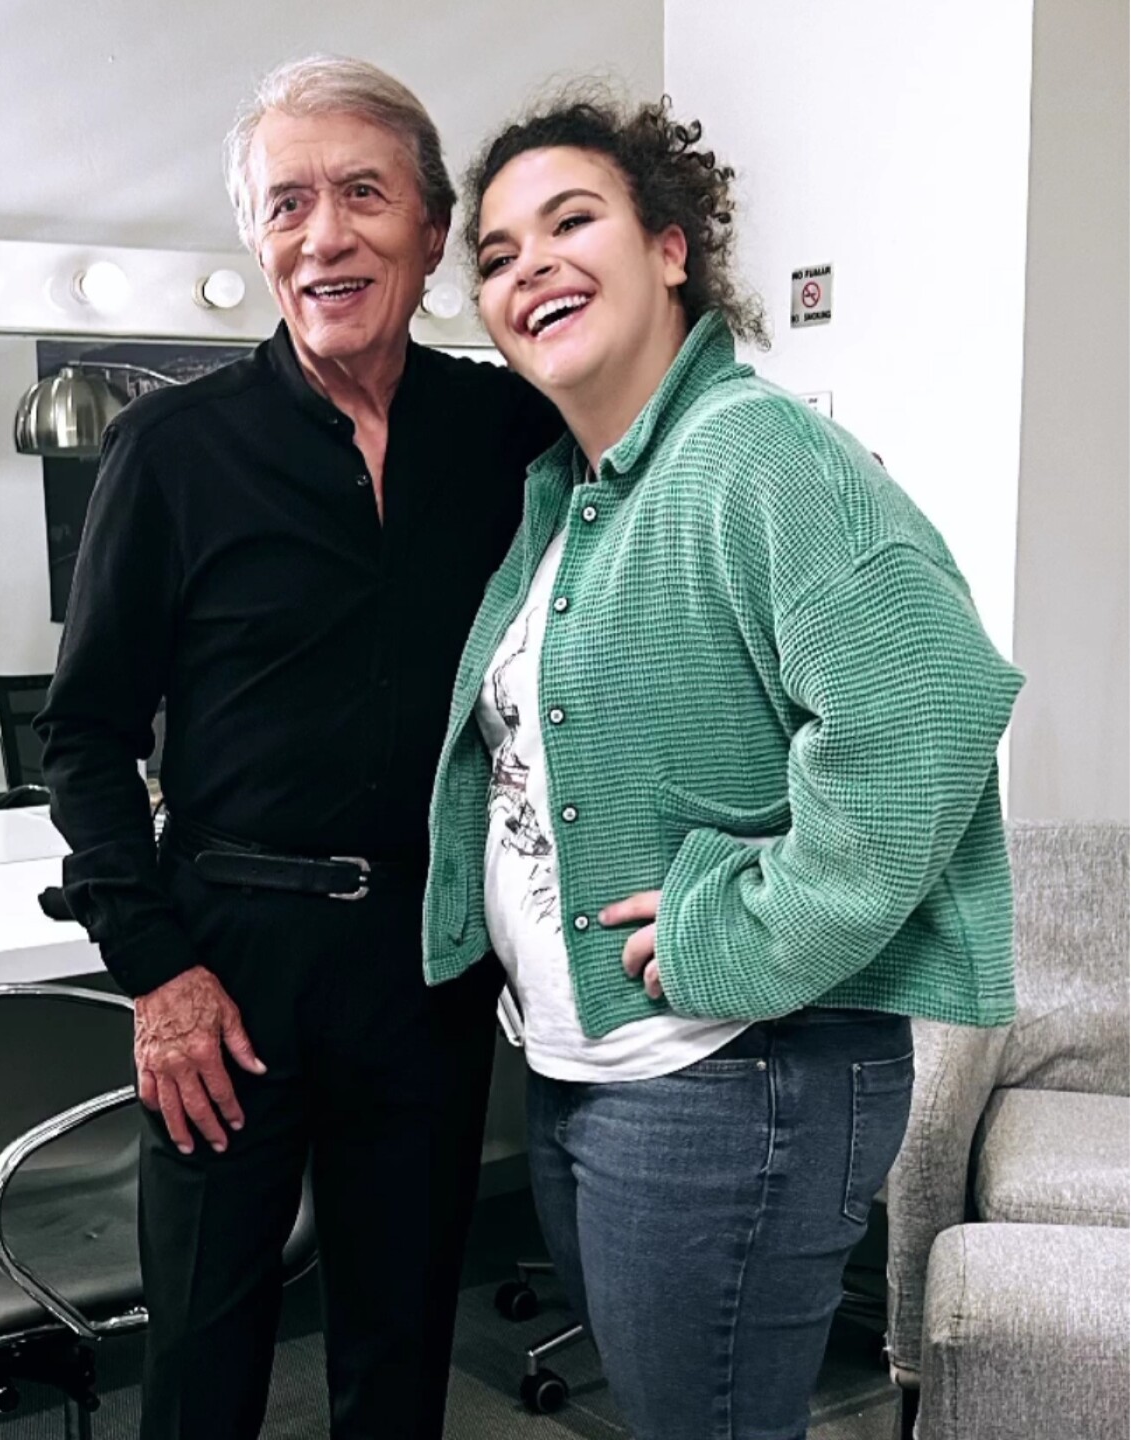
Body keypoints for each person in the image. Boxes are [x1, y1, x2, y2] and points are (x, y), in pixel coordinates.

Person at [421, 92, 1025, 1440]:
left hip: (734, 1069)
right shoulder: (573, 502)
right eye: (500, 255)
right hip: (605, 1070)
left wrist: (733, 936)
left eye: (570, 221)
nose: (530, 269)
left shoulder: (753, 453)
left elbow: (924, 709)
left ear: (670, 247)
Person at [36, 56, 559, 1440]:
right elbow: (82, 735)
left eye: (361, 195)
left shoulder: (509, 435)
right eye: (285, 206)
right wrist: (155, 972)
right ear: (259, 242)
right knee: (204, 1361)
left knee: (401, 1350)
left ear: (434, 232)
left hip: (426, 962)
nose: (321, 235)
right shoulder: (169, 448)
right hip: (228, 962)